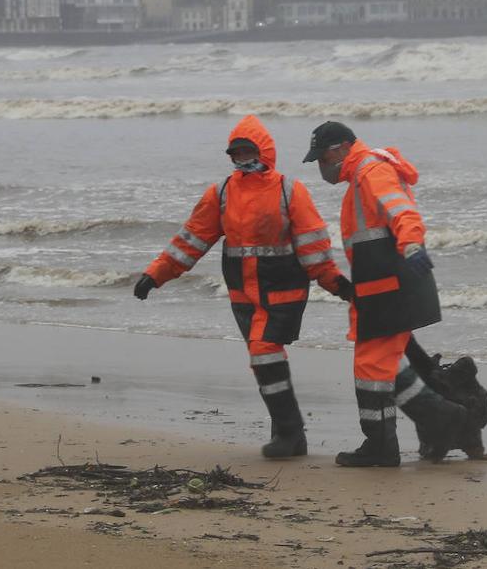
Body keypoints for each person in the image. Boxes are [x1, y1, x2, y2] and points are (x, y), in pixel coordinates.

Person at [134, 115, 351, 459]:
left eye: (248, 151)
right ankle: (286, 433)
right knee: (262, 358)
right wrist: (156, 274)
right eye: (236, 153)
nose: (242, 158)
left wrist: (334, 282)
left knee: (264, 352)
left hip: (283, 291)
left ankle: (291, 433)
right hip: (243, 296)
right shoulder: (221, 192)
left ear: (264, 152)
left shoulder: (289, 190)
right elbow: (191, 240)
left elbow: (313, 244)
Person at [303, 121, 466, 467]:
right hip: (384, 290)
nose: (321, 167)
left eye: (321, 159)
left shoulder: (371, 172)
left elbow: (402, 212)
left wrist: (411, 246)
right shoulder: (361, 178)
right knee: (388, 365)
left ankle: (381, 445)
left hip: (391, 289)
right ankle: (440, 416)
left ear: (340, 149)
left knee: (371, 367)